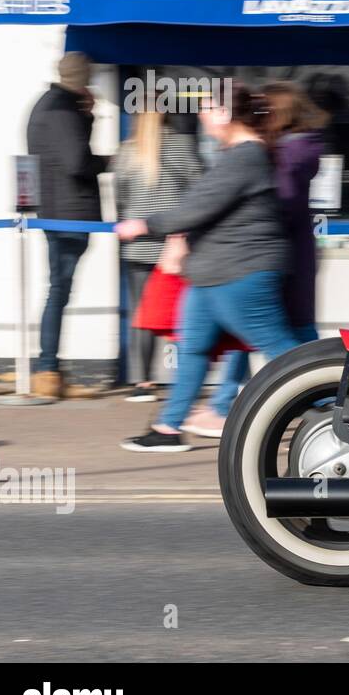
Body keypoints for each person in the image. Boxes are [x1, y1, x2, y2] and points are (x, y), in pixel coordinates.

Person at [114, 85, 300, 452]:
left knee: (282, 352)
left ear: (226, 115)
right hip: (214, 273)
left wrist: (145, 225)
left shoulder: (246, 156)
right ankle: (168, 427)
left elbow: (199, 205)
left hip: (241, 273)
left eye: (208, 107)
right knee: (193, 348)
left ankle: (342, 407)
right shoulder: (238, 154)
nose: (202, 114)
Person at [183, 82, 327, 436]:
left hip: (273, 256)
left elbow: (279, 204)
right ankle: (330, 397)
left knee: (286, 340)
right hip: (279, 254)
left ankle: (333, 401)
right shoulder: (289, 151)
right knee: (272, 334)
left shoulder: (287, 155)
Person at [25, 52, 109, 400]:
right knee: (58, 291)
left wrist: (86, 116)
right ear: (83, 77)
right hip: (69, 215)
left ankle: (48, 369)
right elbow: (77, 162)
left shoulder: (47, 104)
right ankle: (47, 370)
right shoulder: (62, 109)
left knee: (57, 290)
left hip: (56, 211)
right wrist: (112, 160)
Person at [113, 107, 202, 401]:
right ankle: (186, 377)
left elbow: (120, 196)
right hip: (172, 246)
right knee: (183, 314)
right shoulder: (181, 145)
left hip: (137, 244)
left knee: (142, 314)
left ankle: (142, 382)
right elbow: (200, 188)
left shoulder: (126, 151)